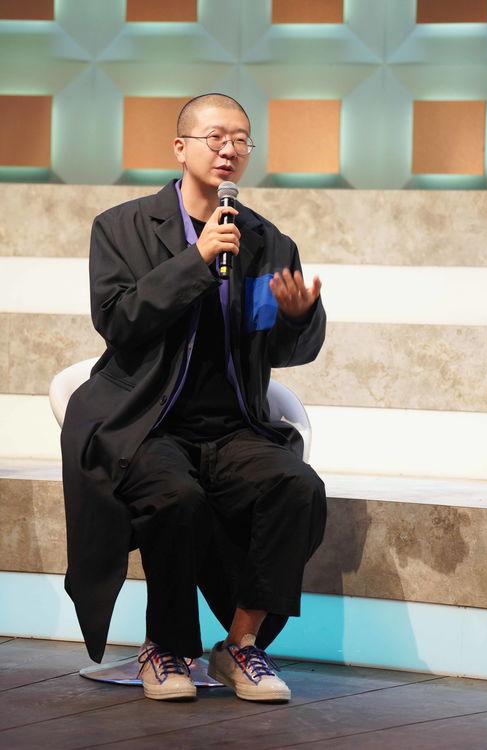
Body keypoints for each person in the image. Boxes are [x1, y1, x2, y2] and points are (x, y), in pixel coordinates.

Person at [61, 92, 327, 704]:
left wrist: (296, 317)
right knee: (175, 498)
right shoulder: (122, 227)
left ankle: (240, 645)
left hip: (232, 428)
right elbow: (118, 321)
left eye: (240, 139)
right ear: (180, 148)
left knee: (297, 487)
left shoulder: (267, 241)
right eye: (215, 137)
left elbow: (287, 348)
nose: (229, 149)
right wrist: (197, 258)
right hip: (144, 423)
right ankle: (166, 646)